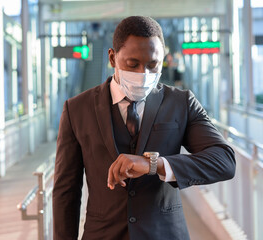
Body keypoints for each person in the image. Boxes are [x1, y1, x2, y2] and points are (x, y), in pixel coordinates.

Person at [53, 16, 235, 240]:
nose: (143, 74)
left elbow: (224, 161)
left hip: (165, 234)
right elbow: (66, 191)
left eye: (152, 65)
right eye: (133, 65)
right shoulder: (77, 109)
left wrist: (155, 164)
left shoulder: (181, 102)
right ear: (112, 57)